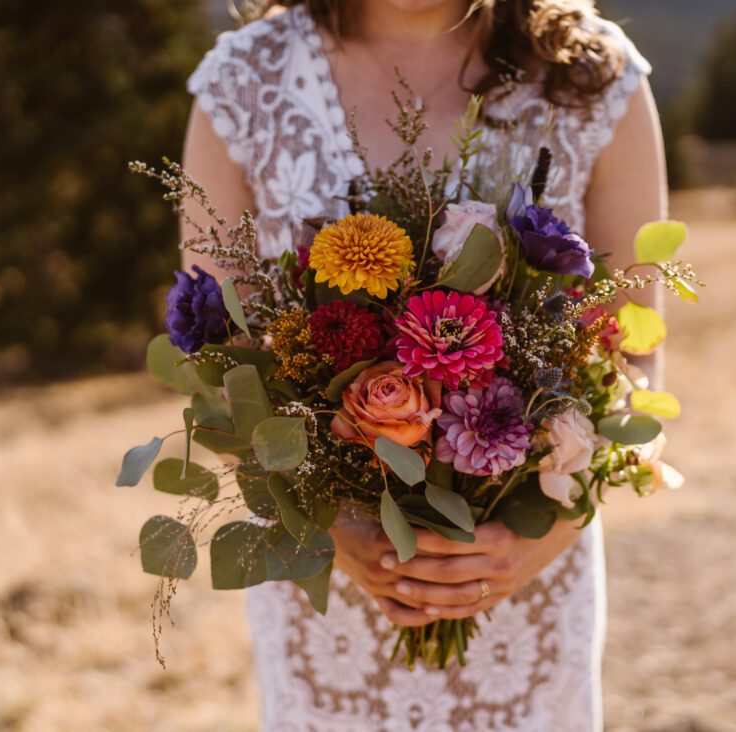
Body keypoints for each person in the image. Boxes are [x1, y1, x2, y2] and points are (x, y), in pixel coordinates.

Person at [182, 1, 665, 728]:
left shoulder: (592, 75)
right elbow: (221, 365)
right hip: (330, 591)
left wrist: (543, 535)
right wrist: (331, 532)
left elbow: (634, 350)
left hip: (525, 585)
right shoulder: (244, 81)